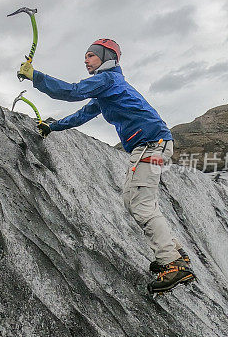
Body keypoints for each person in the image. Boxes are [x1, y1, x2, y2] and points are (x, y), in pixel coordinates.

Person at [18, 39, 195, 294]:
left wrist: (36, 76)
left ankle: (173, 263)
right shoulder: (108, 89)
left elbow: (71, 91)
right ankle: (176, 253)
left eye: (90, 55)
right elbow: (82, 114)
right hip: (154, 144)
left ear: (106, 57)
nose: (86, 61)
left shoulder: (108, 80)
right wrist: (52, 126)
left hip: (149, 144)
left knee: (140, 203)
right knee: (137, 200)